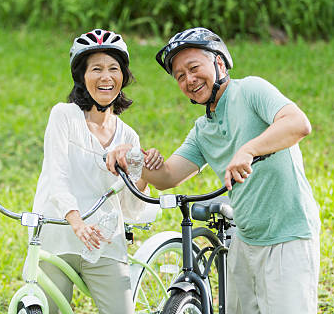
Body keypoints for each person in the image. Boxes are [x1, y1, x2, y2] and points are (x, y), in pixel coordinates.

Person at [107, 27, 321, 314]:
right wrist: (132, 159)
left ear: (219, 63)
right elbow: (168, 176)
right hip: (245, 241)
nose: (189, 79)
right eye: (180, 76)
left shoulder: (250, 90)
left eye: (194, 68)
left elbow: (297, 123)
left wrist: (248, 150)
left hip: (289, 236)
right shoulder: (203, 130)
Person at [31, 29, 164, 314]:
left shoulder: (129, 136)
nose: (106, 77)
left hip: (104, 244)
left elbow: (131, 209)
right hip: (60, 236)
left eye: (113, 69)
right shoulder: (63, 116)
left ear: (123, 76)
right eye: (97, 69)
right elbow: (57, 177)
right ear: (82, 76)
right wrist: (76, 222)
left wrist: (142, 169)